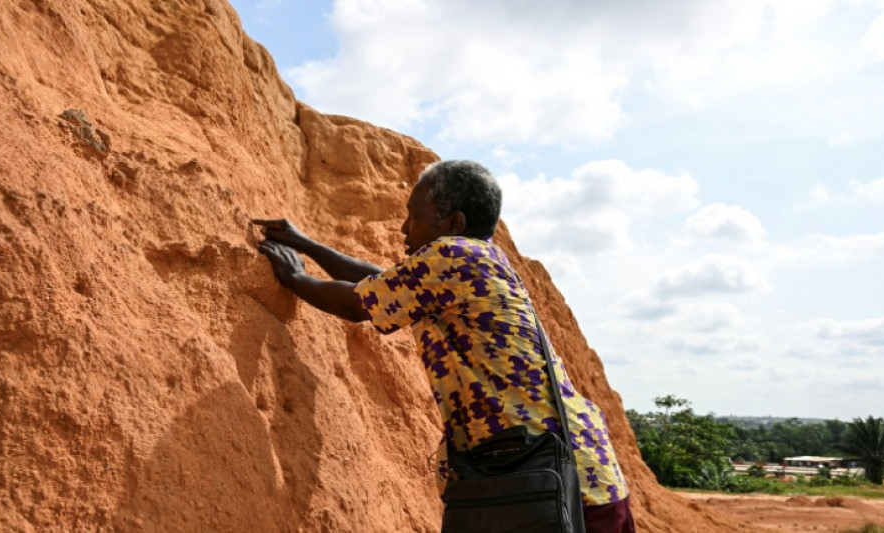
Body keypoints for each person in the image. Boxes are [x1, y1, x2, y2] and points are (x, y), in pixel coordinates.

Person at [255, 160, 635, 532]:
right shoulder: (480, 260)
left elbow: (358, 303)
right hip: (578, 476)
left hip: (554, 484)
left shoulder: (453, 255)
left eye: (415, 215)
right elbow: (385, 284)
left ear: (454, 223)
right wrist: (307, 245)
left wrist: (294, 275)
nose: (405, 228)